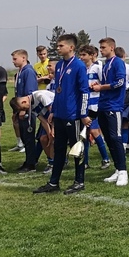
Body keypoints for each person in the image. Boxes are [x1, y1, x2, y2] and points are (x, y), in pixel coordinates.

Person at [33, 33, 91, 195]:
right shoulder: (59, 65)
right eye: (57, 45)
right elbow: (58, 91)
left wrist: (83, 114)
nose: (57, 48)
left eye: (61, 46)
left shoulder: (79, 66)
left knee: (77, 149)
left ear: (71, 47)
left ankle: (79, 181)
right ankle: (53, 182)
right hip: (59, 114)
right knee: (58, 149)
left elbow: (84, 91)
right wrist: (54, 111)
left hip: (73, 115)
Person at [91, 38, 129, 187]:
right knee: (109, 138)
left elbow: (120, 82)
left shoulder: (118, 62)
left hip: (114, 106)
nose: (101, 50)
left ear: (112, 48)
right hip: (103, 105)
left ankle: (123, 171)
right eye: (100, 47)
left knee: (115, 137)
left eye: (103, 47)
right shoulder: (106, 64)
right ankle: (118, 168)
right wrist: (99, 85)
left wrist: (102, 87)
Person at [79, 45, 111, 170]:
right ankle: (85, 162)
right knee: (85, 133)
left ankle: (105, 159)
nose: (81, 57)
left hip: (95, 104)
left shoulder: (97, 68)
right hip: (84, 104)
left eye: (84, 55)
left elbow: (105, 83)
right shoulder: (81, 69)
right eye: (80, 55)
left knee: (94, 131)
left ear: (92, 56)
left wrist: (98, 85)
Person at [11, 49, 39, 172]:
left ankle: (31, 164)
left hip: (27, 109)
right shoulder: (20, 72)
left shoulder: (28, 71)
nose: (13, 61)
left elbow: (30, 93)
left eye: (15, 59)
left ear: (23, 58)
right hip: (20, 109)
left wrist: (24, 110)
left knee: (28, 137)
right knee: (24, 136)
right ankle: (28, 161)